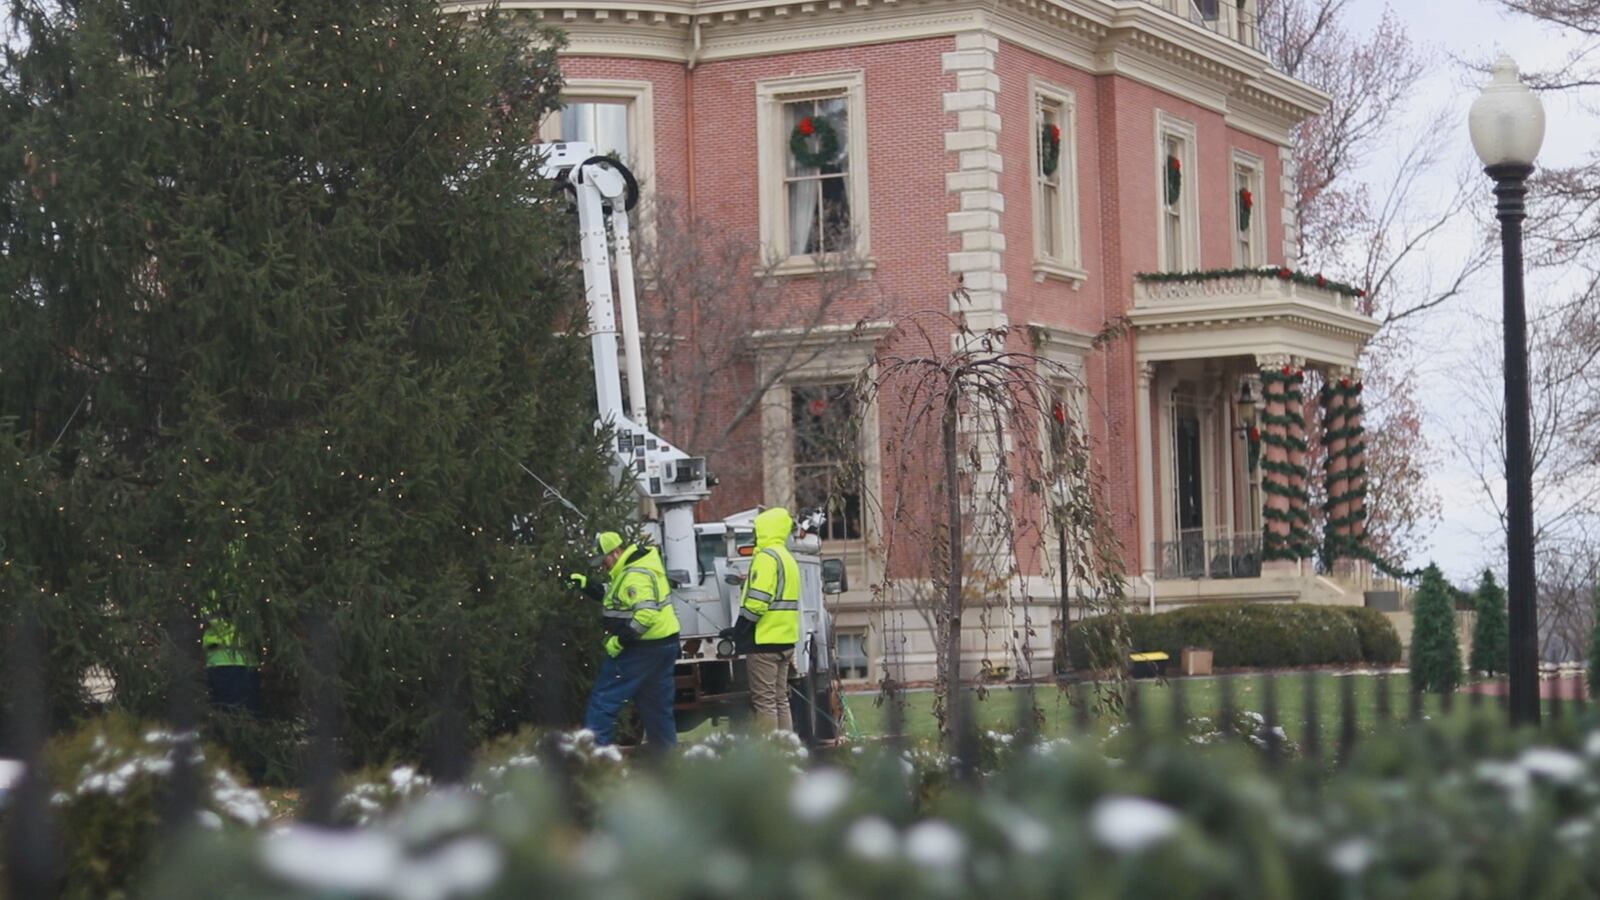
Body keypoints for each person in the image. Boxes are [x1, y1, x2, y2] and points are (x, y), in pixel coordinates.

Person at [581, 531, 681, 750]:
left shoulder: (634, 575)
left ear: (616, 552)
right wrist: (589, 586)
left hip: (641, 649)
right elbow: (620, 594)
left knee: (604, 700)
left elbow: (645, 613)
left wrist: (620, 641)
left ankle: (593, 759)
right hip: (664, 646)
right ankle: (667, 763)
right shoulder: (639, 567)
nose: (603, 566)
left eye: (604, 560)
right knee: (656, 708)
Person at [725, 507, 801, 732]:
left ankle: (772, 756)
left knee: (765, 702)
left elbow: (758, 602)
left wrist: (738, 629)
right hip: (785, 641)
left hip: (763, 642)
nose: (755, 534)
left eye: (757, 530)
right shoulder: (787, 558)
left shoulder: (766, 558)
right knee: (781, 700)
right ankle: (788, 749)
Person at [203, 541, 261, 715]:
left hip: (219, 658)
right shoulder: (251, 580)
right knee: (246, 714)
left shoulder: (211, 579)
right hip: (242, 658)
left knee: (224, 713)